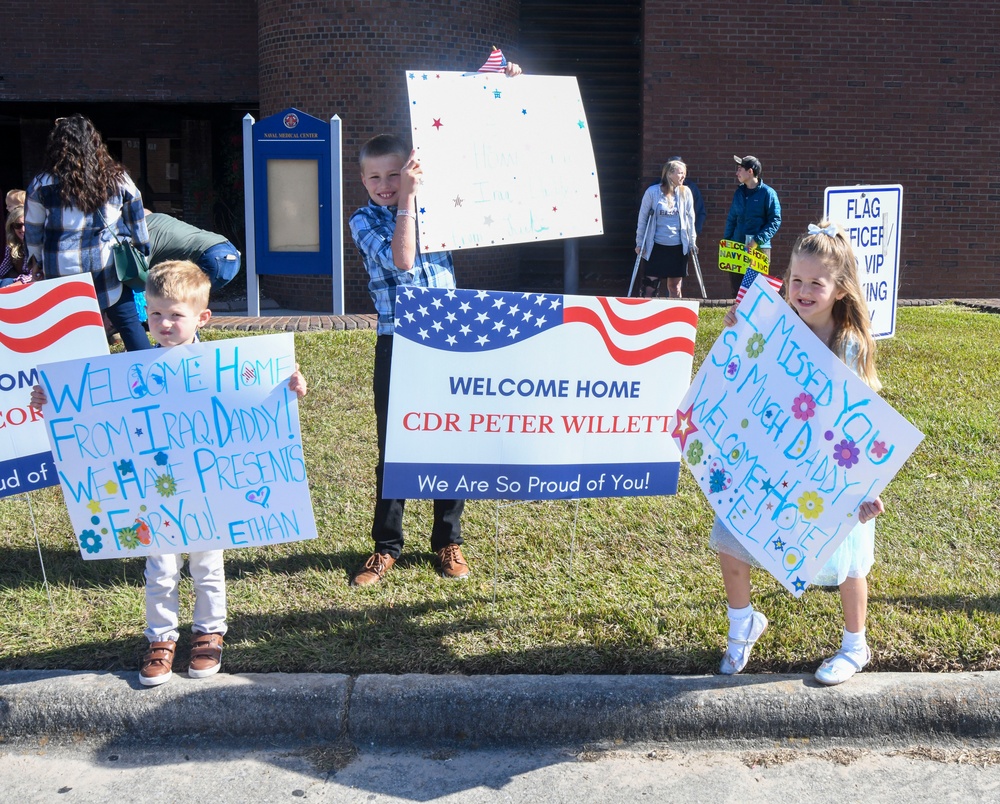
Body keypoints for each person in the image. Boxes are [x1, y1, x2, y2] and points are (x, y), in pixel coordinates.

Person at [30, 259, 308, 686]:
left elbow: (257, 401)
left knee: (207, 566)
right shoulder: (128, 372)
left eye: (175, 314)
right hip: (154, 494)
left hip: (208, 491)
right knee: (159, 567)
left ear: (202, 317)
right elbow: (93, 411)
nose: (163, 323)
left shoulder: (225, 366)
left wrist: (288, 386)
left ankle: (208, 631)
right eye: (155, 313)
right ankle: (161, 638)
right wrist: (52, 401)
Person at [712, 221, 884, 687]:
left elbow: (861, 419)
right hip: (769, 458)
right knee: (731, 534)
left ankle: (855, 645)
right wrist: (737, 327)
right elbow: (745, 371)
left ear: (841, 289)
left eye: (816, 283)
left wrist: (866, 488)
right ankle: (742, 621)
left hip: (826, 467)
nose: (803, 291)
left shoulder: (847, 343)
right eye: (796, 281)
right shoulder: (773, 321)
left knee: (847, 559)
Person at [348, 133, 470, 586]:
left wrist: (501, 87)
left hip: (449, 338)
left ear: (412, 171)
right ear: (362, 180)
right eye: (375, 176)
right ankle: (386, 546)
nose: (385, 184)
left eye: (394, 174)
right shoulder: (364, 219)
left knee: (450, 441)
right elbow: (402, 260)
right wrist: (407, 204)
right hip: (399, 341)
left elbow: (468, 144)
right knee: (396, 447)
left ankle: (447, 540)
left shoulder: (440, 208)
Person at [24, 114, 152, 352]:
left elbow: (33, 230)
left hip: (61, 268)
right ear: (95, 142)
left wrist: (36, 262)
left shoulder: (42, 183)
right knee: (129, 324)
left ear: (57, 145)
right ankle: (151, 379)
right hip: (107, 264)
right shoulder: (118, 178)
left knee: (68, 333)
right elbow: (137, 221)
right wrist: (142, 253)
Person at [634, 159, 698, 298]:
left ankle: (676, 316)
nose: (683, 176)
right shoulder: (652, 192)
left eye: (684, 173)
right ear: (669, 174)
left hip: (677, 247)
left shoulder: (685, 192)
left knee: (675, 287)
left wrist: (692, 242)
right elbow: (643, 218)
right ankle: (648, 314)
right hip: (656, 246)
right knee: (650, 286)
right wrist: (640, 242)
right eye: (680, 173)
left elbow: (690, 219)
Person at [724, 155, 781, 297]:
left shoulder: (768, 193)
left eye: (739, 169)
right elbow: (732, 219)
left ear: (750, 171)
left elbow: (775, 221)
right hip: (737, 247)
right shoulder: (739, 192)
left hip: (759, 249)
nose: (737, 173)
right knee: (737, 291)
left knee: (756, 291)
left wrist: (758, 240)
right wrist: (727, 242)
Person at [145, 211, 241, 290]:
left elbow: (141, 275)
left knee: (175, 303)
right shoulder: (159, 217)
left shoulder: (143, 235)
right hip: (229, 251)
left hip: (210, 258)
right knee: (191, 305)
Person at [0, 206, 33, 287]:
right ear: (12, 228)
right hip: (16, 284)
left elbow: (36, 275)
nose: (23, 229)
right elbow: (1, 269)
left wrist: (10, 287)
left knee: (6, 282)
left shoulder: (40, 246)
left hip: (36, 286)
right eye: (18, 225)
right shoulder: (11, 246)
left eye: (26, 224)